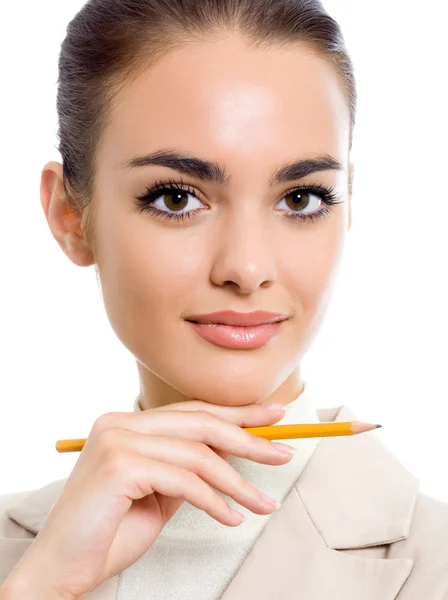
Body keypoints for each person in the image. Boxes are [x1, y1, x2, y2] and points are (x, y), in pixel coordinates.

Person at [1, 0, 447, 598]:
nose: (247, 268)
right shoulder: (21, 564)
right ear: (71, 217)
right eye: (177, 198)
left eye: (300, 199)